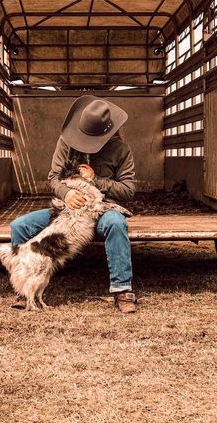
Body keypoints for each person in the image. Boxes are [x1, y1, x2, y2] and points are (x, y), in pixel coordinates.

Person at [9, 95, 137, 313]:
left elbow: (128, 190)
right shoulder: (66, 141)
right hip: (64, 211)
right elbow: (53, 177)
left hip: (101, 210)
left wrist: (96, 181)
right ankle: (25, 290)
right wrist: (67, 194)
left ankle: (122, 289)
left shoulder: (121, 150)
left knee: (116, 224)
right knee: (19, 226)